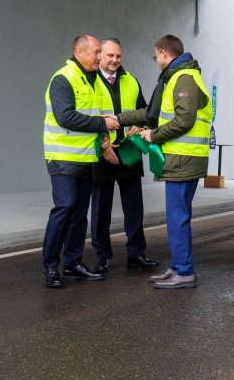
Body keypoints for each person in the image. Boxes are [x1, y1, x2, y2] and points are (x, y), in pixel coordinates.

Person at [118, 35, 211, 289]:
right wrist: (119, 118)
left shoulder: (184, 78)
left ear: (162, 52)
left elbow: (184, 120)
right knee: (176, 216)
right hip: (181, 157)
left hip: (184, 158)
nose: (156, 60)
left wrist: (153, 134)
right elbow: (154, 113)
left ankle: (184, 271)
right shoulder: (177, 77)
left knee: (177, 217)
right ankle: (178, 266)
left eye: (155, 55)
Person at [42, 34, 121, 288]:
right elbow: (65, 117)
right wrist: (101, 123)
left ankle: (73, 262)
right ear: (79, 51)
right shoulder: (63, 78)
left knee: (78, 214)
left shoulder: (95, 81)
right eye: (96, 52)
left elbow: (95, 116)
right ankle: (51, 266)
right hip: (62, 157)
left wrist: (105, 135)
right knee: (65, 208)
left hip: (87, 158)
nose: (100, 57)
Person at [90, 38, 160, 275]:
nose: (115, 60)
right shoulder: (90, 82)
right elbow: (86, 117)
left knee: (134, 207)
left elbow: (145, 112)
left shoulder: (131, 80)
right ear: (100, 56)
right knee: (101, 209)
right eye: (110, 56)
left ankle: (136, 254)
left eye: (118, 56)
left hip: (129, 151)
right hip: (103, 153)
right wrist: (102, 144)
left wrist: (138, 126)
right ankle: (102, 257)